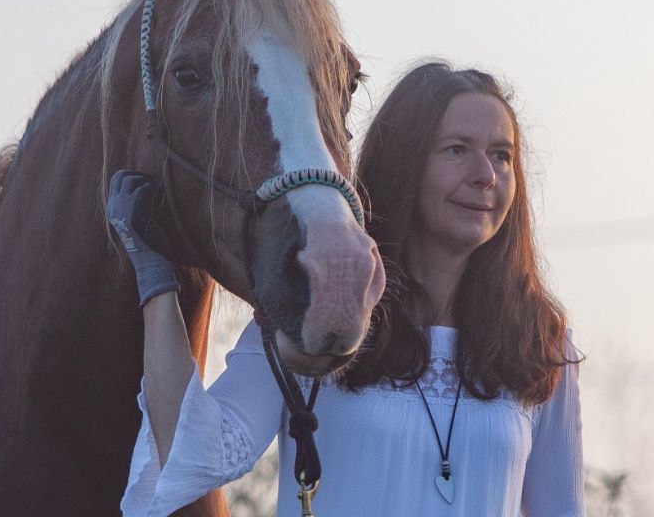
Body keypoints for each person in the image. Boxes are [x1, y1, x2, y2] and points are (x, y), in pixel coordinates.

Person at [110, 62, 584, 516]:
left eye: (502, 155)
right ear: (405, 164)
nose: (486, 175)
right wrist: (156, 277)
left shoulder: (539, 340)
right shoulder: (316, 307)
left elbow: (562, 510)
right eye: (457, 150)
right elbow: (196, 451)